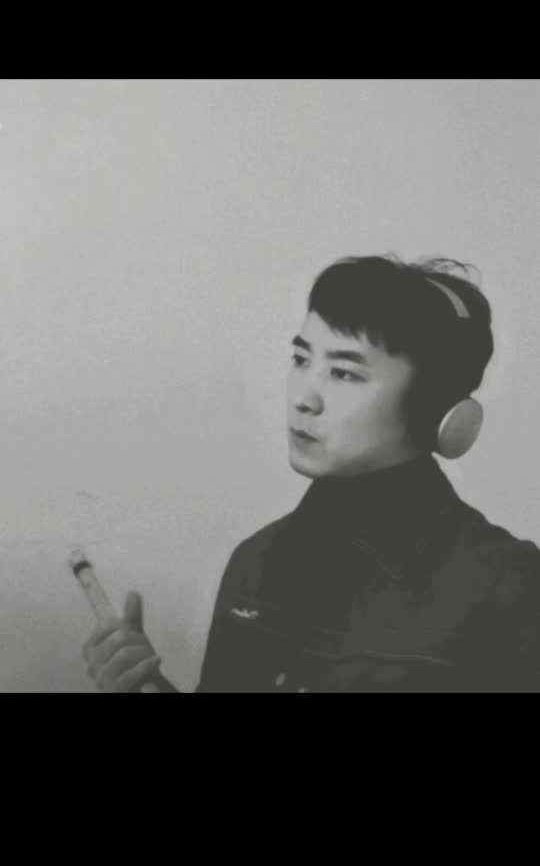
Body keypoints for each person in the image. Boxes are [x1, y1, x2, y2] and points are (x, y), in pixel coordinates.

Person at [82, 254, 540, 692]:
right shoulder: (256, 561)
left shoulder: (507, 585)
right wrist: (142, 686)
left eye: (344, 373)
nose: (304, 398)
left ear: (432, 406)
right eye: (302, 360)